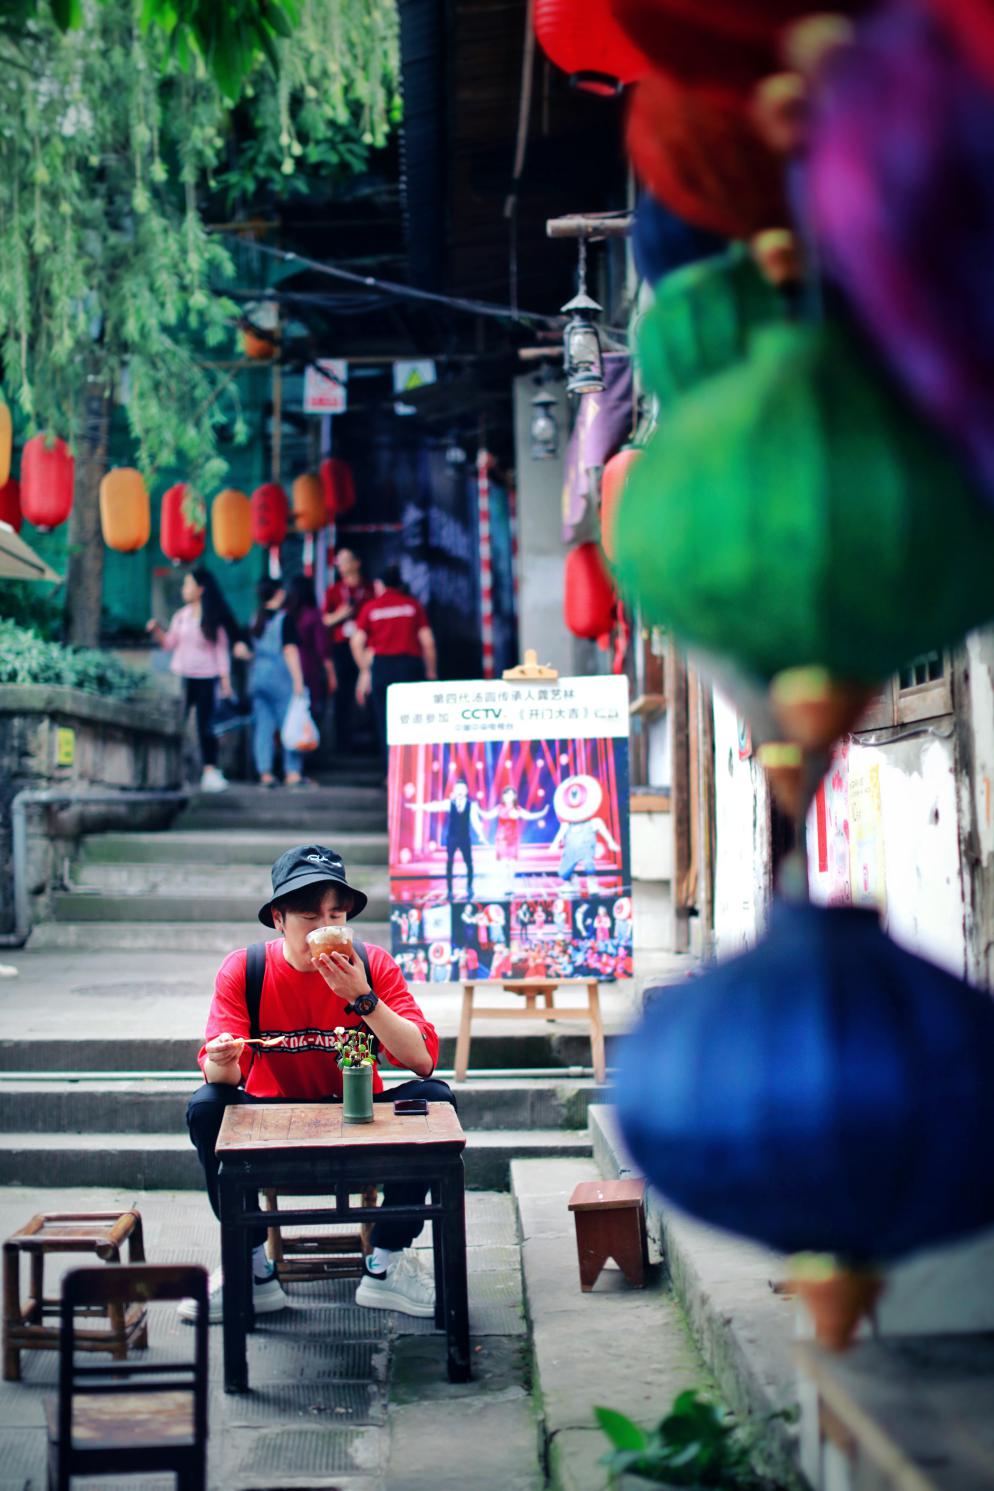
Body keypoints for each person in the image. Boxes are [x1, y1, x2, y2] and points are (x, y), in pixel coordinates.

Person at [181, 843, 455, 1324]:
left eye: (336, 915)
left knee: (434, 1100)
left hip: (358, 1121)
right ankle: (251, 1269)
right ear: (279, 919)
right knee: (206, 1105)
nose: (325, 927)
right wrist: (224, 1058)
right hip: (272, 1127)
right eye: (309, 916)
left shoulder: (372, 966)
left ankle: (386, 1263)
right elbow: (222, 1080)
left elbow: (422, 1061)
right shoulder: (246, 970)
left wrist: (362, 998)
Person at [146, 566, 234, 794]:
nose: (184, 589)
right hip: (182, 677)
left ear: (200, 589)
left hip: (207, 677)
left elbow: (221, 651)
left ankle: (210, 771)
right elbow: (169, 644)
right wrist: (157, 632)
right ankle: (174, 772)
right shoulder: (181, 616)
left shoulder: (213, 617)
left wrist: (225, 681)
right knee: (177, 723)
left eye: (188, 584)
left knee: (207, 726)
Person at [351, 565, 437, 773]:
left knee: (386, 721)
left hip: (382, 667)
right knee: (413, 720)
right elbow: (428, 642)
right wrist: (431, 672)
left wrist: (365, 669)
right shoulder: (412, 606)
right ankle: (415, 771)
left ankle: (392, 773)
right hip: (410, 668)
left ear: (379, 584)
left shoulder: (371, 608)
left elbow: (356, 642)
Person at [245, 579, 308, 788]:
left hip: (258, 678)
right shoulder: (284, 619)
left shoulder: (255, 619)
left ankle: (265, 772)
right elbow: (290, 651)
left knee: (263, 727)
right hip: (280, 678)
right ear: (279, 594)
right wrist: (298, 680)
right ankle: (292, 772)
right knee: (290, 724)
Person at [322, 549, 375, 755]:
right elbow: (324, 620)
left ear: (356, 563)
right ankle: (342, 746)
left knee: (369, 693)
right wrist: (340, 615)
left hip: (366, 648)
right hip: (342, 647)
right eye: (339, 562)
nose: (342, 566)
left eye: (345, 561)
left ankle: (373, 744)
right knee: (342, 694)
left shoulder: (369, 589)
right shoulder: (334, 591)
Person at [406, 779, 485, 901]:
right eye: (457, 789)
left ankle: (469, 888)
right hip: (452, 838)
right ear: (454, 790)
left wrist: (481, 835)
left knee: (469, 863)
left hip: (464, 838)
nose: (460, 791)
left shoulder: (471, 805)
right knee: (450, 863)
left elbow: (475, 822)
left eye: (462, 789)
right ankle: (449, 890)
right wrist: (418, 807)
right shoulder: (449, 803)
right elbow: (434, 806)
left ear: (466, 791)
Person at [286, 574, 336, 727]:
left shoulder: (286, 616)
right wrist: (331, 674)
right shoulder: (313, 616)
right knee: (313, 717)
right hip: (311, 671)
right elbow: (322, 649)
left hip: (287, 671)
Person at [480, 787, 548, 892]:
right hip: (502, 839)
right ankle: (505, 885)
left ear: (514, 796)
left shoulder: (517, 809)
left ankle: (510, 886)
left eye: (511, 794)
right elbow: (487, 816)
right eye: (507, 794)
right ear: (503, 796)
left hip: (513, 839)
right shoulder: (499, 808)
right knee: (504, 864)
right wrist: (478, 810)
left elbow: (529, 816)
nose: (509, 797)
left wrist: (542, 813)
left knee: (512, 864)